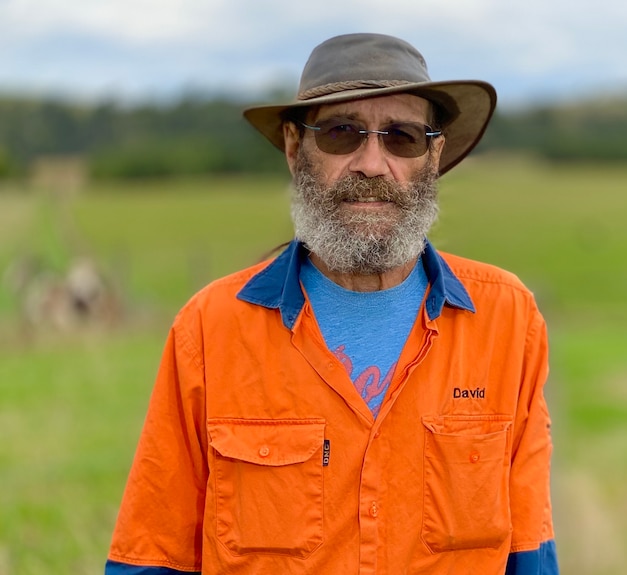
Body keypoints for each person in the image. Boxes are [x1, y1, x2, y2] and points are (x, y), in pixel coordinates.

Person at [105, 32, 559, 575]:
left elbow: (529, 554)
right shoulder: (209, 329)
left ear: (433, 155)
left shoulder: (508, 321)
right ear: (297, 149)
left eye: (403, 137)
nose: (372, 162)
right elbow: (151, 557)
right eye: (342, 133)